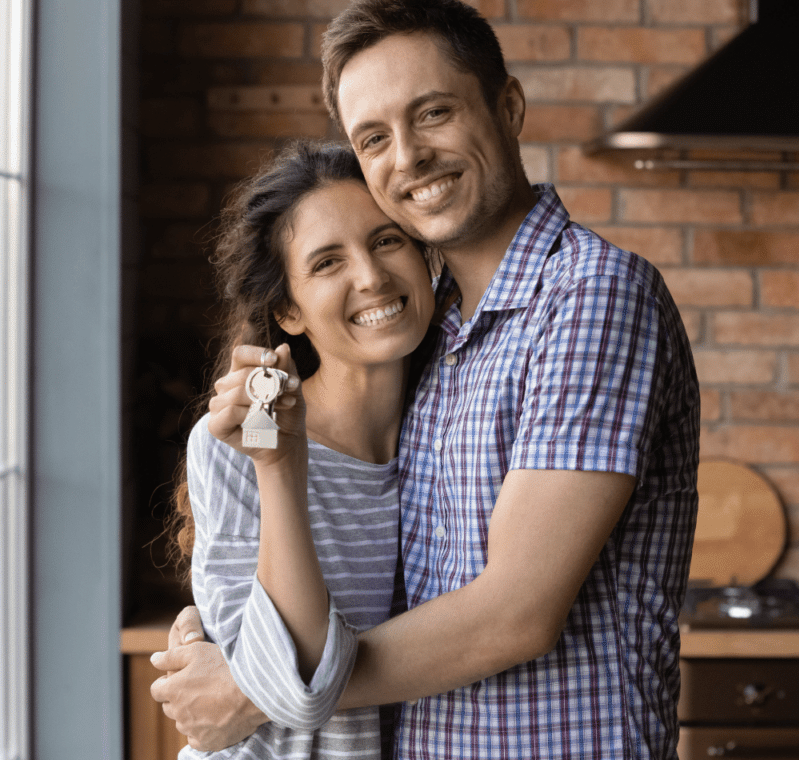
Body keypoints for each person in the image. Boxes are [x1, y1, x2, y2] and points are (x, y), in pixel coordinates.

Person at [150, 1, 701, 757]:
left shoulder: (590, 297)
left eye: (433, 112)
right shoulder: (434, 337)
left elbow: (516, 613)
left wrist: (256, 687)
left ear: (507, 107)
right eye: (373, 137)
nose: (407, 157)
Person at [169, 139, 434, 758]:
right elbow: (294, 693)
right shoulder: (239, 447)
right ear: (289, 309)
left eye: (388, 240)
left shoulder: (456, 429)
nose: (370, 276)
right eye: (326, 263)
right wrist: (279, 464)